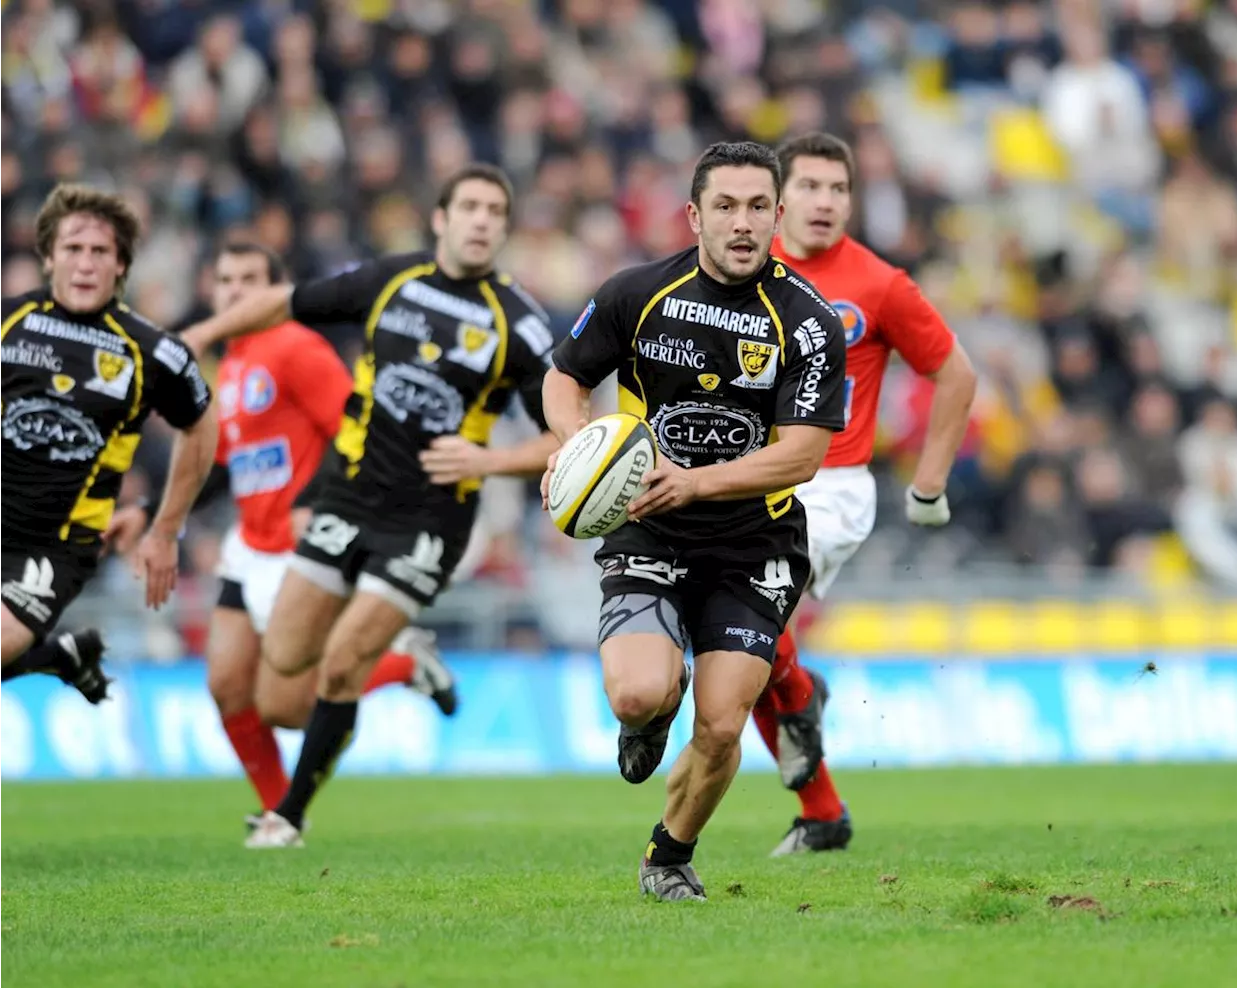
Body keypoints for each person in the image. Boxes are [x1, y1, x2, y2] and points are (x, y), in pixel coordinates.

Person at [180, 164, 559, 848]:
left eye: (494, 210)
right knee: (282, 678)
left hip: (429, 520)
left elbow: (571, 437)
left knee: (341, 661)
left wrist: (491, 461)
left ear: (503, 228)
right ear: (440, 218)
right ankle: (405, 658)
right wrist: (206, 335)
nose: (480, 219)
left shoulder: (522, 325)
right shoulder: (392, 281)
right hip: (348, 498)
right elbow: (284, 301)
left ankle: (288, 815)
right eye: (468, 205)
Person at [541, 141, 847, 901]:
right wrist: (572, 447)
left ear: (778, 215)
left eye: (756, 207)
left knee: (720, 724)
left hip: (755, 542)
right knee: (641, 693)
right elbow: (564, 375)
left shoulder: (808, 323)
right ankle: (649, 712)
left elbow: (801, 457)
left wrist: (699, 482)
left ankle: (669, 856)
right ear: (694, 214)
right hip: (650, 524)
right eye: (725, 206)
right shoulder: (636, 293)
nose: (741, 224)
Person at [110, 241, 459, 830]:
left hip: (302, 548)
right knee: (225, 684)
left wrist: (313, 504)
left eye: (251, 279)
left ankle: (403, 664)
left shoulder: (296, 348)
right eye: (226, 279)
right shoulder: (231, 364)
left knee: (286, 707)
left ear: (274, 289)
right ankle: (280, 816)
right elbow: (223, 464)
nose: (237, 290)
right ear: (212, 289)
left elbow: (356, 429)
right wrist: (149, 509)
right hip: (250, 546)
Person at [760, 132, 977, 855]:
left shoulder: (880, 282)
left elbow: (956, 375)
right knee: (734, 655)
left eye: (838, 189)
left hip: (830, 486)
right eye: (811, 187)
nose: (825, 202)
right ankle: (822, 812)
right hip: (745, 481)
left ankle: (799, 700)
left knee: (750, 616)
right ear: (779, 197)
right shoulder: (743, 269)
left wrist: (930, 483)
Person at [0, 184, 217, 703]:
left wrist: (165, 528)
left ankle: (55, 656)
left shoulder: (154, 353)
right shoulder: (8, 322)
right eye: (72, 249)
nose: (85, 264)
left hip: (52, 546)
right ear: (49, 255)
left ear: (122, 265)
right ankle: (62, 657)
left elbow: (203, 427)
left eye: (100, 252)